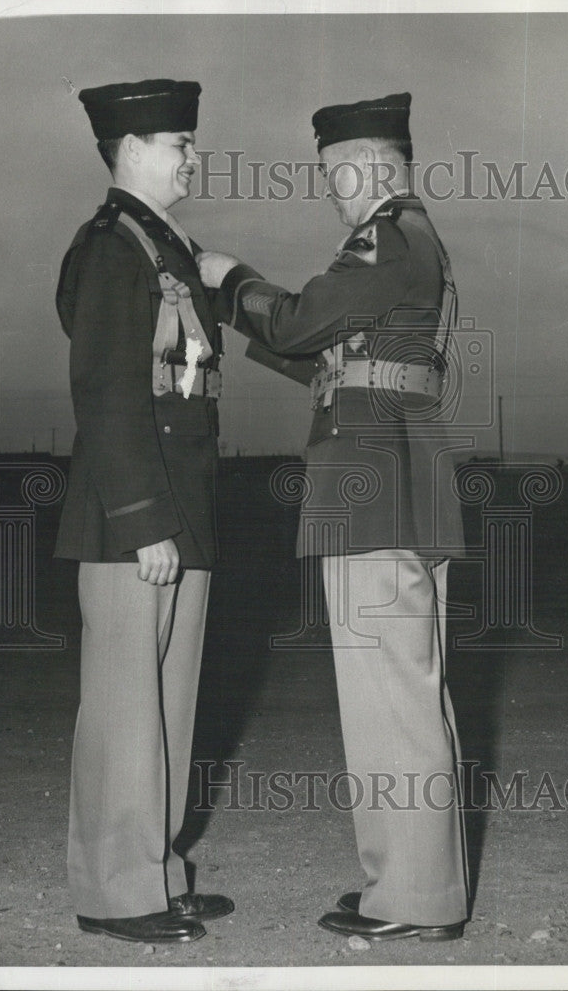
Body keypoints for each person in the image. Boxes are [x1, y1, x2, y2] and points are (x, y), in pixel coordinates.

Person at [198, 92, 470, 942]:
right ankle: (409, 884)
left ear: (366, 167)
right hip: (394, 476)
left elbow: (302, 319)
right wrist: (266, 318)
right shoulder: (415, 243)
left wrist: (230, 281)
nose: (331, 193)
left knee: (391, 698)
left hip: (372, 487)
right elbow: (330, 356)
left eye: (332, 175)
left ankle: (417, 901)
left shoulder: (386, 236)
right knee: (399, 693)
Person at [54, 78, 233, 944]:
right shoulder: (111, 248)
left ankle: (155, 871)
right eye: (177, 142)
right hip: (137, 518)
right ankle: (115, 891)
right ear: (129, 151)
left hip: (176, 507)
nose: (191, 155)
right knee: (127, 707)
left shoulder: (161, 244)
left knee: (167, 705)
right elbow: (106, 391)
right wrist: (142, 519)